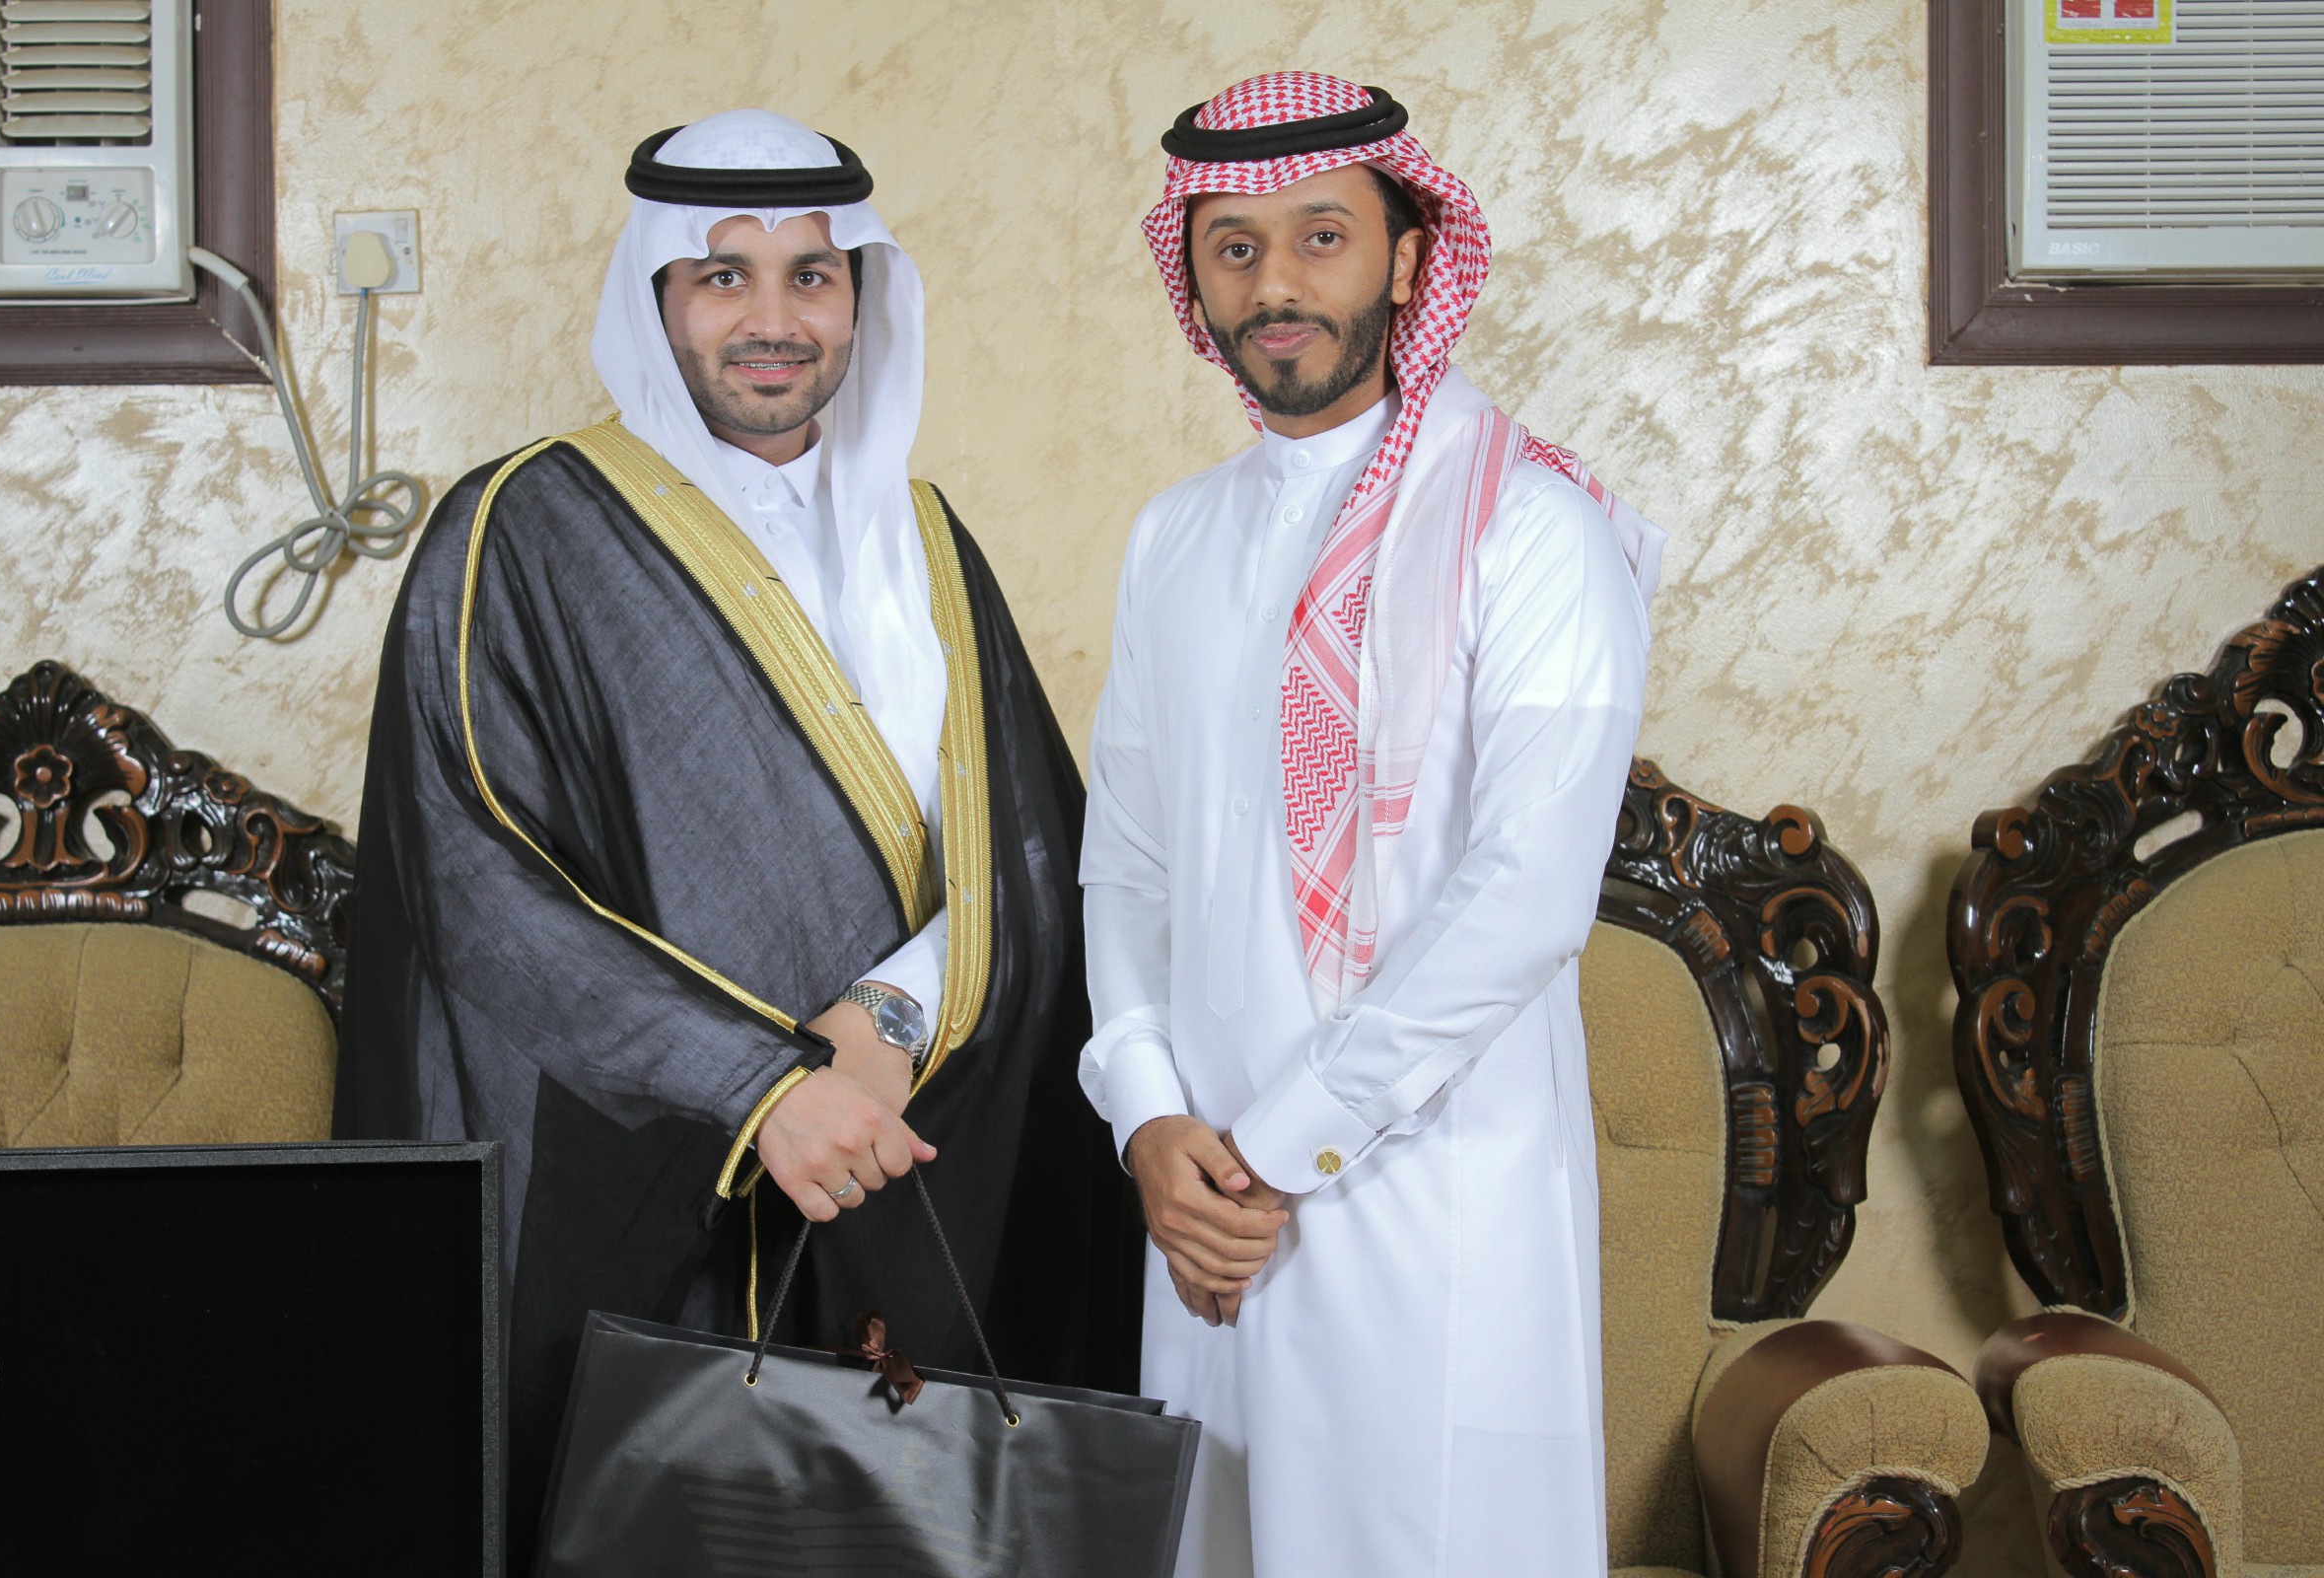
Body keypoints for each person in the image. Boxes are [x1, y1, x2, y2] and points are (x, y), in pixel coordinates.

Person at [335, 108, 1140, 1559]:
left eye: (810, 276)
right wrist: (759, 1086)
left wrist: (888, 1018)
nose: (772, 320)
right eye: (723, 277)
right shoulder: (525, 527)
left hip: (912, 1141)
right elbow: (471, 874)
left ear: (860, 298)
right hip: (653, 1171)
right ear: (657, 299)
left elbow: (1029, 846)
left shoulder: (928, 538)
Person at [1079, 73, 1667, 1576]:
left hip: (1421, 1198)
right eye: (1234, 247)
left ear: (1409, 258)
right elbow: (1128, 861)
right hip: (1203, 1209)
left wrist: (1279, 1153)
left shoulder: (1534, 529)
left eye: (1321, 236)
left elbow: (1527, 899)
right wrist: (1149, 1119)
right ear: (1194, 275)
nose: (1274, 283)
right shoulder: (1175, 535)